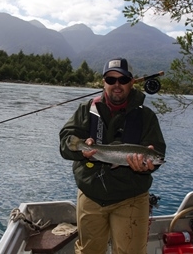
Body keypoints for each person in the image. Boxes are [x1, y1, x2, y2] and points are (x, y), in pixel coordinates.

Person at [59, 57, 166, 254]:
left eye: (123, 80)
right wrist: (79, 148)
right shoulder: (86, 109)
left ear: (131, 83)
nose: (117, 85)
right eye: (111, 80)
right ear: (104, 83)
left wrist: (150, 165)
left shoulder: (146, 116)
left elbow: (158, 153)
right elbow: (66, 140)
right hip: (91, 194)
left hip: (131, 197)